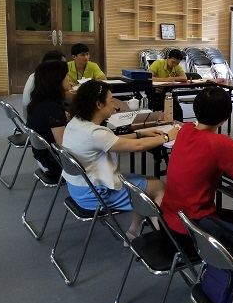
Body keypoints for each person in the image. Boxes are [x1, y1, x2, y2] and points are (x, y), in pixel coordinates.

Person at [62, 80, 177, 240]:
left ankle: (134, 232)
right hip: (95, 197)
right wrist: (167, 137)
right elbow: (137, 146)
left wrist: (140, 133)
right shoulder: (95, 133)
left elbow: (112, 140)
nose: (115, 106)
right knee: (158, 186)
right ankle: (163, 239)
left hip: (79, 189)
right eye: (111, 101)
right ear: (98, 104)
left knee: (144, 183)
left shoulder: (76, 123)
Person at [161, 86, 233, 255]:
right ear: (225, 118)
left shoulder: (185, 130)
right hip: (193, 232)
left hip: (168, 223)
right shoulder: (219, 143)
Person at [26, 60, 70, 182]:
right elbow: (63, 145)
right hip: (54, 163)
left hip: (41, 156)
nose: (69, 79)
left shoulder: (38, 101)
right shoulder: (52, 108)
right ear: (56, 80)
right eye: (66, 75)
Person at [22, 50, 66, 116]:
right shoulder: (47, 79)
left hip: (32, 112)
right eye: (63, 64)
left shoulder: (37, 75)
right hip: (36, 115)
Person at [148, 49, 187, 122]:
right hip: (155, 93)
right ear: (168, 58)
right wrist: (166, 80)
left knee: (178, 111)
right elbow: (149, 78)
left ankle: (179, 126)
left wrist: (173, 78)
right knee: (161, 111)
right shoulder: (158, 63)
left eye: (177, 63)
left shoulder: (176, 66)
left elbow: (184, 78)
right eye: (173, 62)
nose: (174, 65)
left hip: (168, 93)